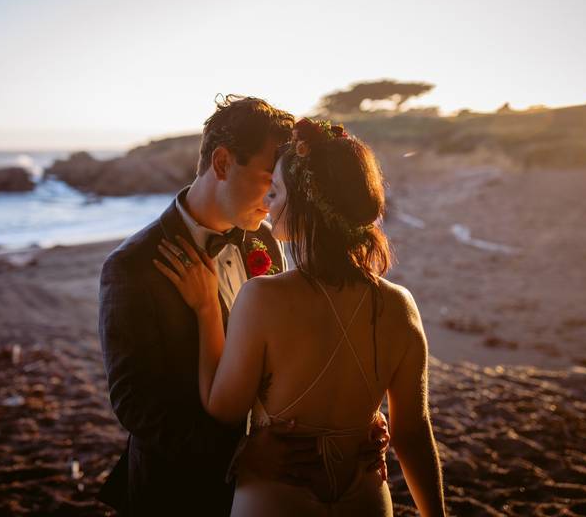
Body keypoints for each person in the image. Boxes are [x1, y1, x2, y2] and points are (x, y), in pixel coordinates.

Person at [98, 98, 388, 516]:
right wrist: (239, 454)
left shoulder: (265, 240)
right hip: (179, 489)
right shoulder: (131, 267)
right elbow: (134, 402)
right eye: (269, 178)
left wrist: (352, 420)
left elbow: (292, 351)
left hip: (272, 486)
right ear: (221, 163)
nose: (274, 200)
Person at [155, 118, 446, 516]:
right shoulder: (400, 305)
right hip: (366, 496)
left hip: (276, 498)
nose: (268, 203)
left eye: (275, 192)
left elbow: (223, 407)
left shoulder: (262, 297)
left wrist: (207, 309)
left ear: (306, 203)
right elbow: (413, 434)